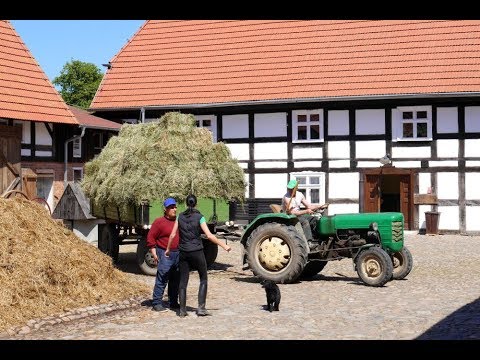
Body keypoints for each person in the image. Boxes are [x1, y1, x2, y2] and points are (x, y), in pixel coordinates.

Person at [165, 194, 231, 317]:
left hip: (183, 252)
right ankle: (201, 308)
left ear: (185, 204)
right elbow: (209, 235)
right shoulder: (200, 217)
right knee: (203, 278)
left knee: (183, 281)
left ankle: (183, 311)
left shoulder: (179, 216)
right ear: (196, 204)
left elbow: (173, 235)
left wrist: (168, 249)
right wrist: (224, 245)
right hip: (197, 251)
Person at [146, 197, 180, 312]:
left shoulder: (178, 221)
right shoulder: (159, 222)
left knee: (176, 279)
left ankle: (173, 301)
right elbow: (151, 238)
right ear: (165, 209)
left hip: (178, 253)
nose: (174, 209)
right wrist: (154, 254)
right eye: (171, 207)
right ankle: (156, 302)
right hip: (165, 253)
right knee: (162, 278)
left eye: (175, 207)